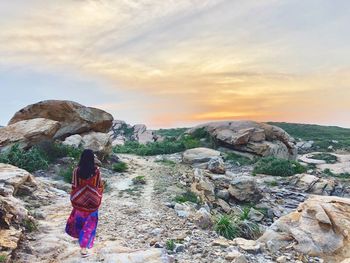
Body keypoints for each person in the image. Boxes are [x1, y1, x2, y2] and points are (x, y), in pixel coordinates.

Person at [65, 149, 104, 257]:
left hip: (80, 203)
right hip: (92, 203)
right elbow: (99, 185)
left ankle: (81, 244)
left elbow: (74, 186)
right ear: (92, 159)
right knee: (90, 224)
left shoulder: (76, 171)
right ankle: (84, 247)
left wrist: (78, 196)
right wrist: (96, 194)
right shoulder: (96, 171)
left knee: (80, 222)